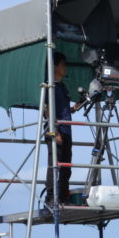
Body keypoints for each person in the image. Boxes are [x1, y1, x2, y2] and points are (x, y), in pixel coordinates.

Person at [45, 51, 73, 206]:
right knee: (55, 163)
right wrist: (54, 131)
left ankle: (63, 196)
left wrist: (74, 108)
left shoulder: (62, 86)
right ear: (55, 67)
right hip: (56, 129)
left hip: (66, 129)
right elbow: (46, 109)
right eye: (63, 64)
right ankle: (51, 196)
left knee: (66, 166)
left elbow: (62, 108)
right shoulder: (50, 86)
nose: (65, 68)